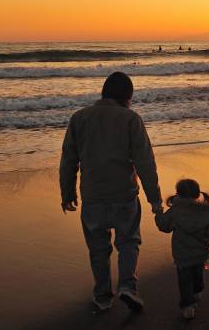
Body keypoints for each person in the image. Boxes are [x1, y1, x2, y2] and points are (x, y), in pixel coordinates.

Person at [60, 71, 163, 312]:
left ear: (104, 92)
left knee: (98, 249)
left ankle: (103, 296)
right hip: (124, 196)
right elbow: (145, 163)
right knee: (128, 243)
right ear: (128, 96)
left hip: (93, 198)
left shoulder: (79, 118)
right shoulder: (130, 119)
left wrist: (67, 193)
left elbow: (68, 160)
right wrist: (155, 201)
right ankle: (128, 286)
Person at [155, 178, 209, 320]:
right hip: (201, 254)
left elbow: (163, 226)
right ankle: (197, 291)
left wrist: (159, 212)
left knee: (184, 281)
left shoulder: (174, 212)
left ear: (178, 194)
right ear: (198, 195)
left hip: (182, 255)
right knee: (198, 274)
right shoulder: (204, 213)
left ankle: (188, 307)